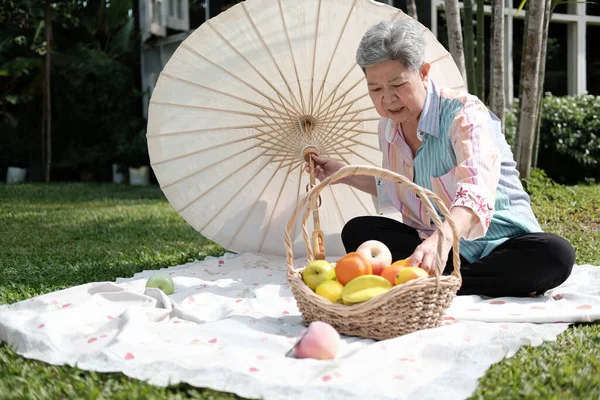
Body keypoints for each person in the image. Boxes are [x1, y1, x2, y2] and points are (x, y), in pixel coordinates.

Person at [306, 19, 575, 298]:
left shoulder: (464, 114)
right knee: (358, 231)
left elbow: (476, 189)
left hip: (501, 243)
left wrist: (441, 241)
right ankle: (445, 279)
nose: (388, 99)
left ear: (423, 72)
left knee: (555, 254)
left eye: (397, 84)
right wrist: (344, 174)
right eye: (375, 89)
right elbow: (398, 184)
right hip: (432, 242)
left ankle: (439, 282)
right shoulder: (388, 128)